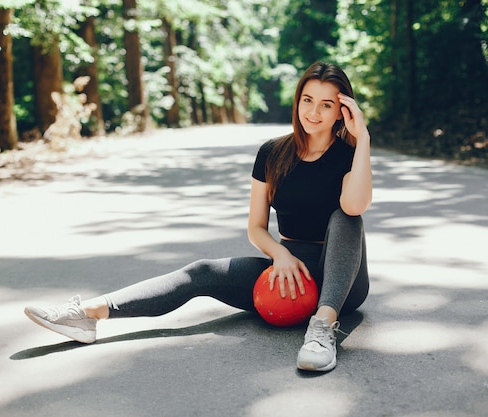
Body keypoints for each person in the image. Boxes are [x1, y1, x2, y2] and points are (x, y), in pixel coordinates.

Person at [24, 61, 372, 372]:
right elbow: (255, 227)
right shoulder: (272, 153)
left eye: (327, 105)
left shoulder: (348, 155)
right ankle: (87, 314)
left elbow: (355, 208)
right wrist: (280, 254)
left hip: (341, 281)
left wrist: (363, 140)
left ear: (342, 111)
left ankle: (322, 329)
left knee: (346, 217)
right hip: (287, 273)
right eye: (307, 100)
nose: (314, 111)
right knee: (202, 271)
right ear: (297, 101)